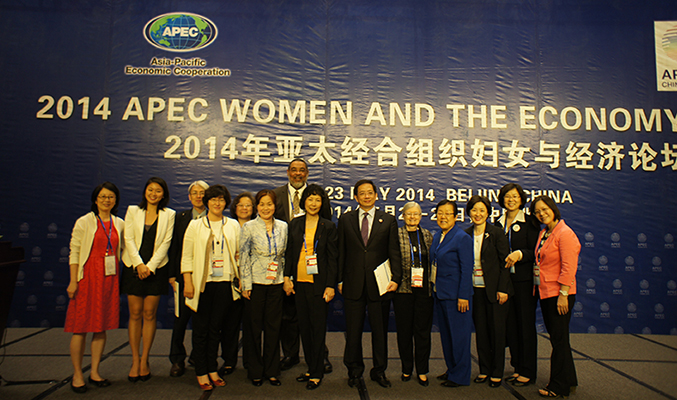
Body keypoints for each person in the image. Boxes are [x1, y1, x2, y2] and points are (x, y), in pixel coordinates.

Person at [338, 179, 401, 389]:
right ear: (356, 197)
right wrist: (339, 279)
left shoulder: (388, 220)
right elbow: (341, 252)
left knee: (379, 331)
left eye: (370, 192)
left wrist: (396, 278)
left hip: (380, 284)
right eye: (362, 193)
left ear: (376, 195)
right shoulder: (346, 219)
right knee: (353, 331)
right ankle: (354, 371)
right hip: (352, 282)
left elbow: (394, 251)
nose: (366, 196)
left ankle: (379, 370)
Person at [65, 182, 124, 393]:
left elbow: (125, 250)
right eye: (103, 196)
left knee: (101, 327)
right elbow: (74, 252)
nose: (107, 200)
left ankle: (95, 372)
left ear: (115, 200)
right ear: (95, 199)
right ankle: (77, 374)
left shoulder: (119, 223)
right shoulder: (84, 221)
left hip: (109, 280)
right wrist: (73, 280)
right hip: (87, 279)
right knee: (80, 328)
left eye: (111, 197)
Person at [182, 185, 241, 391]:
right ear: (207, 202)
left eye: (221, 199)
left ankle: (212, 368)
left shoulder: (233, 224)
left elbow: (238, 253)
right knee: (201, 330)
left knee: (215, 329)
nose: (217, 203)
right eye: (214, 199)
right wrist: (188, 281)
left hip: (225, 283)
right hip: (201, 284)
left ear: (226, 202)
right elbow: (186, 256)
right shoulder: (195, 225)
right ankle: (201, 370)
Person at [283, 184, 337, 390]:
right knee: (304, 329)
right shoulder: (295, 224)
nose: (313, 203)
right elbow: (289, 253)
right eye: (310, 199)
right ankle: (310, 367)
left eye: (317, 200)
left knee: (317, 329)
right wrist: (287, 278)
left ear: (322, 203)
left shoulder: (328, 226)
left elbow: (332, 259)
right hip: (299, 284)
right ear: (303, 201)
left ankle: (316, 373)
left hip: (319, 285)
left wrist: (330, 285)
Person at [121, 177, 175, 382]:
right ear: (145, 191)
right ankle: (135, 360)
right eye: (151, 190)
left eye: (158, 191)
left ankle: (145, 360)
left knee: (150, 314)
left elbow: (166, 242)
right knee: (135, 313)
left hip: (157, 268)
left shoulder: (169, 214)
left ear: (163, 194)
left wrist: (150, 267)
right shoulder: (133, 211)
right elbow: (128, 239)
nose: (154, 194)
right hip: (133, 266)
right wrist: (139, 264)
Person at [530, 196, 580, 398]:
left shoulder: (565, 233)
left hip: (559, 294)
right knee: (559, 340)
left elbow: (569, 267)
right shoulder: (544, 233)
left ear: (553, 208)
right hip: (546, 292)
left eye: (544, 209)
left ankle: (558, 386)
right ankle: (570, 381)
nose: (541, 214)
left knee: (559, 341)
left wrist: (563, 294)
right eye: (537, 212)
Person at [240, 189, 288, 386]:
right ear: (256, 207)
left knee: (273, 328)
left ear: (275, 206)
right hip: (255, 284)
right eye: (262, 204)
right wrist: (245, 284)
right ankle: (255, 370)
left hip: (276, 283)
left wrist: (286, 279)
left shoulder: (283, 226)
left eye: (269, 204)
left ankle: (272, 370)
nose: (266, 208)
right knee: (253, 329)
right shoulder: (249, 227)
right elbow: (244, 256)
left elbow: (285, 256)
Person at [464, 195, 512, 387]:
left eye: (482, 210)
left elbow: (505, 263)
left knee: (497, 332)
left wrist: (502, 288)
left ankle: (497, 372)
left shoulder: (497, 233)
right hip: (475, 291)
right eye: (474, 210)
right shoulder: (466, 234)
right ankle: (484, 369)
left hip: (494, 291)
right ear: (469, 212)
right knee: (481, 331)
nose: (478, 214)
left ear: (488, 213)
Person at [496, 183, 540, 387]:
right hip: (505, 283)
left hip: (524, 282)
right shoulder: (498, 223)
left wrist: (520, 254)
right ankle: (517, 367)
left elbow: (536, 251)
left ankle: (528, 370)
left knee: (525, 326)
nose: (511, 200)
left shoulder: (530, 222)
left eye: (514, 196)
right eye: (507, 196)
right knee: (511, 327)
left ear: (521, 199)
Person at [167, 180, 209, 377]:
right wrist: (172, 275)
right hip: (184, 276)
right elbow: (174, 247)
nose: (199, 196)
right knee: (180, 320)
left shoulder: (215, 217)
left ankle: (197, 356)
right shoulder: (180, 218)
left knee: (203, 321)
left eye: (202, 193)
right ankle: (177, 359)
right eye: (195, 193)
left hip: (207, 278)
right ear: (189, 196)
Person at [430, 200, 473, 388]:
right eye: (440, 213)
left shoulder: (462, 238)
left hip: (457, 296)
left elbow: (467, 269)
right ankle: (452, 369)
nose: (443, 217)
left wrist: (463, 295)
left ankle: (460, 376)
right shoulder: (438, 235)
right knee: (447, 336)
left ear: (456, 217)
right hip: (440, 293)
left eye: (448, 213)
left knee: (459, 337)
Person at [393, 202, 434, 387]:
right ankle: (406, 368)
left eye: (416, 214)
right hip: (403, 290)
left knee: (423, 332)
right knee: (404, 332)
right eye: (409, 214)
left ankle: (422, 370)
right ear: (403, 216)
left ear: (420, 216)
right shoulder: (396, 234)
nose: (412, 217)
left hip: (424, 291)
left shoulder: (427, 235)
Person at [217, 191, 256, 377]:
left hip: (252, 282)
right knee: (230, 325)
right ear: (235, 207)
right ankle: (229, 360)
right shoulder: (227, 226)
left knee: (251, 325)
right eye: (241, 205)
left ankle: (250, 360)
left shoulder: (258, 227)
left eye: (248, 205)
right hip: (230, 281)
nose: (244, 208)